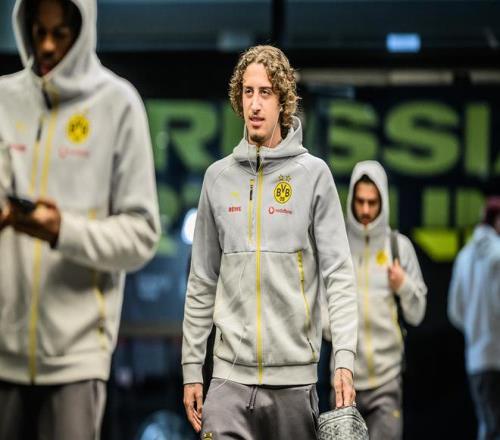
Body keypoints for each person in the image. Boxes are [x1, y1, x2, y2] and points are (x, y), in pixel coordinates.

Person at [0, 0, 160, 439]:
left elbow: (142, 234)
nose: (47, 46)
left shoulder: (118, 104)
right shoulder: (3, 99)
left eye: (60, 33)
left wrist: (62, 231)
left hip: (77, 359)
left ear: (83, 29)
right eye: (38, 31)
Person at [181, 45, 358, 439]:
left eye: (266, 92)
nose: (255, 104)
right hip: (227, 381)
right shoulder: (217, 179)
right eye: (248, 92)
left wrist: (344, 359)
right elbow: (202, 281)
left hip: (294, 382)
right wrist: (192, 367)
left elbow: (339, 276)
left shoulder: (314, 176)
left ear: (283, 101)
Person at [332, 160, 427, 440]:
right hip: (344, 380)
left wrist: (404, 286)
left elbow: (417, 314)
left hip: (387, 379)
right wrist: (329, 323)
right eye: (360, 201)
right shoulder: (337, 246)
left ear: (383, 202)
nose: (365, 210)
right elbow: (318, 304)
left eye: (372, 202)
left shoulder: (398, 247)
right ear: (351, 200)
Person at [448, 196, 500, 440]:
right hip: (497, 355)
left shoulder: (464, 256)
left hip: (477, 358)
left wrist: (475, 331)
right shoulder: (498, 254)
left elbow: (455, 311)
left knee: (488, 426)